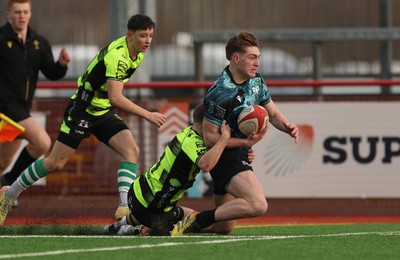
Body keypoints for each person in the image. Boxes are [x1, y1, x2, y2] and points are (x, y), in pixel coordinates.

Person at [0, 14, 166, 225]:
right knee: (55, 163)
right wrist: (148, 114)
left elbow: (110, 97)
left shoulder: (138, 53)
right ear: (129, 36)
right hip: (83, 111)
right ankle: (9, 194)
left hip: (102, 111)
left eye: (151, 35)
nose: (148, 41)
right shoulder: (118, 57)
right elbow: (116, 97)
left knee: (131, 150)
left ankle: (124, 207)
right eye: (143, 36)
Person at [171, 32, 299, 236]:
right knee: (258, 204)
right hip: (223, 155)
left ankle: (167, 220)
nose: (257, 62)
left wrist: (287, 126)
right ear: (236, 58)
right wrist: (244, 143)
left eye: (258, 57)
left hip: (238, 150)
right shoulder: (220, 92)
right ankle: (198, 220)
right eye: (252, 57)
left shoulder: (256, 82)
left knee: (224, 227)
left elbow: (273, 113)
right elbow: (210, 138)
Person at [103, 104, 231, 236]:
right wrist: (225, 138)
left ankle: (120, 225)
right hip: (151, 208)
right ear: (206, 122)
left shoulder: (189, 133)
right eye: (215, 122)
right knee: (197, 222)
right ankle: (139, 230)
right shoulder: (193, 142)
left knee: (185, 213)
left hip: (139, 193)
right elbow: (206, 164)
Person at [0, 0, 71, 195]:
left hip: (21, 110)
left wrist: (62, 64)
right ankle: (9, 183)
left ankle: (4, 184)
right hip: (6, 109)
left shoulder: (39, 43)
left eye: (25, 12)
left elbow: (52, 73)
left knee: (3, 162)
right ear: (8, 14)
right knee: (42, 142)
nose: (21, 16)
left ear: (30, 14)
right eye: (17, 12)